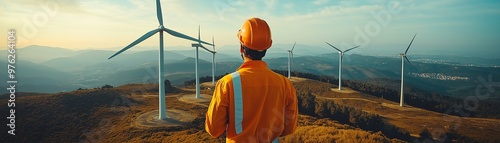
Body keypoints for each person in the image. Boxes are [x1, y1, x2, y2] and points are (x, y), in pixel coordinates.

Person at [205, 17, 298, 143]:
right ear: (266, 49)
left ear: (241, 49)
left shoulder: (227, 84)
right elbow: (289, 127)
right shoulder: (285, 84)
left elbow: (213, 129)